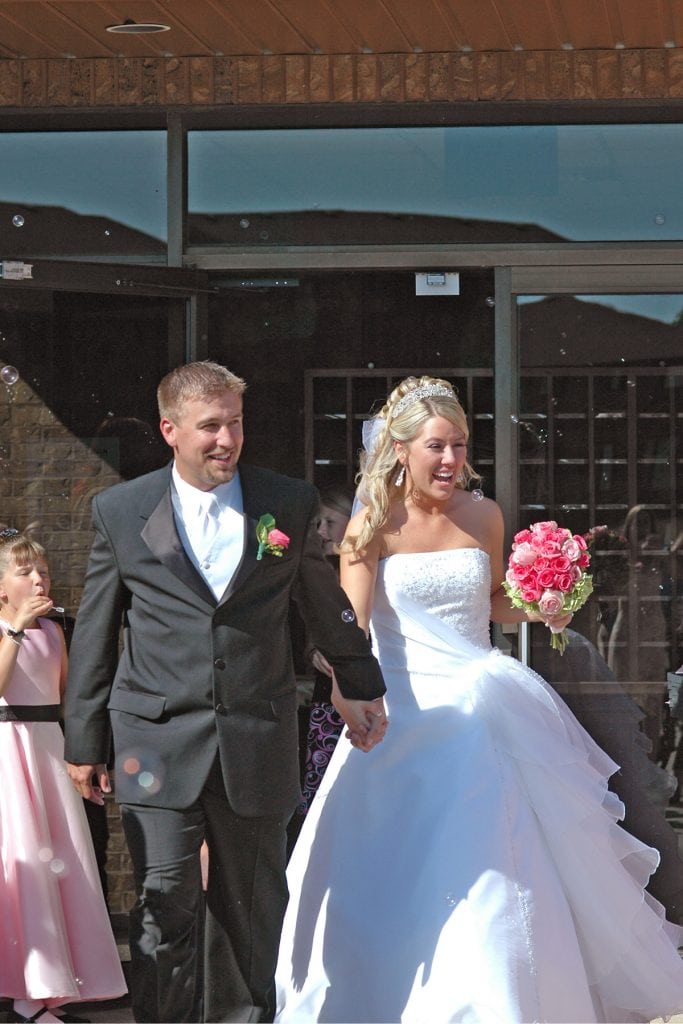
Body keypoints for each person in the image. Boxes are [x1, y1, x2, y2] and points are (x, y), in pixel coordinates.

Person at [275, 376, 683, 1024]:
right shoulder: (370, 524)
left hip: (482, 703)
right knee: (390, 874)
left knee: (500, 865)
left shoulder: (484, 514)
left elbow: (491, 600)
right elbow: (346, 627)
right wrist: (342, 687)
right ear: (401, 450)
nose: (449, 460)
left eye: (459, 445)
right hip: (398, 712)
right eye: (435, 445)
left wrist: (539, 600)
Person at [63, 360, 386, 1024]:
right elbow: (95, 632)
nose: (225, 440)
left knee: (251, 910)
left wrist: (359, 683)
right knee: (163, 897)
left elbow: (321, 604)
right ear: (170, 430)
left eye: (234, 424)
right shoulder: (121, 512)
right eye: (209, 426)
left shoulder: (286, 502)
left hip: (256, 737)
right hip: (152, 742)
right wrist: (84, 741)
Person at [0, 527, 126, 1024]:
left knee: (60, 862)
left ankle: (50, 989)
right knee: (21, 862)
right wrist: (13, 629)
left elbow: (73, 698)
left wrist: (88, 754)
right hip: (10, 752)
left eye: (44, 572)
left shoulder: (55, 631)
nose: (38, 580)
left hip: (49, 751)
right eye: (25, 571)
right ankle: (25, 993)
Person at [288, 486, 354, 852]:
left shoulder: (370, 567)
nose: (322, 532)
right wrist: (313, 650)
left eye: (330, 522)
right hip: (327, 698)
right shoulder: (316, 570)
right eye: (318, 523)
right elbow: (308, 625)